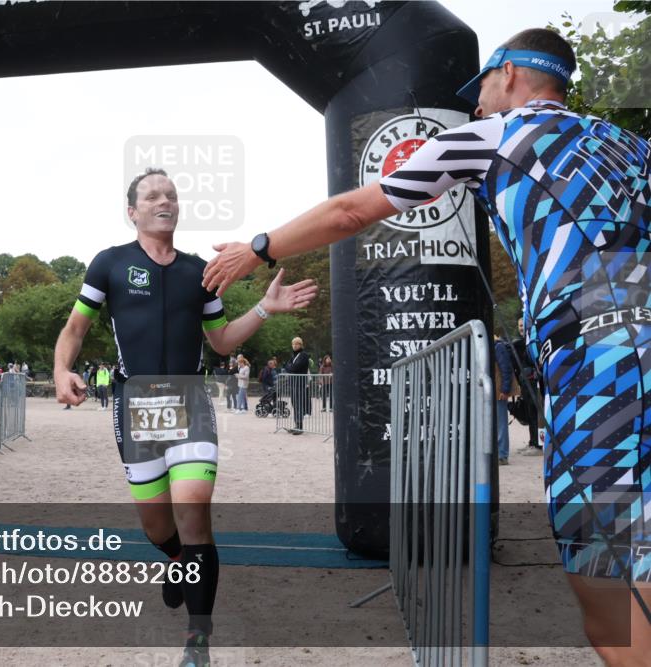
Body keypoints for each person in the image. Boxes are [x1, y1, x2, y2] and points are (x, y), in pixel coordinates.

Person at [203, 28, 650, 663]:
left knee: (605, 574)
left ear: (513, 74)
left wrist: (259, 248)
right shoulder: (632, 146)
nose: (475, 105)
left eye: (483, 88)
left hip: (600, 359)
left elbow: (355, 211)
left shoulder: (493, 136)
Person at [54, 168, 316, 666]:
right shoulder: (108, 264)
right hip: (137, 407)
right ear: (131, 212)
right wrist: (61, 368)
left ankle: (199, 640)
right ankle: (178, 562)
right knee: (158, 527)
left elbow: (219, 341)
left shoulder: (202, 271)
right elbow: (74, 326)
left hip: (191, 401)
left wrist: (263, 307)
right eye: (152, 195)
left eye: (171, 195)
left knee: (193, 509)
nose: (164, 201)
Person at [511, 318, 542, 456]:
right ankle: (532, 441)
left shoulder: (533, 341)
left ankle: (537, 444)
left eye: (523, 325)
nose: (521, 328)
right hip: (525, 382)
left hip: (533, 382)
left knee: (535, 413)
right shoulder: (520, 343)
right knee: (529, 412)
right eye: (520, 326)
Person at [494, 335, 518, 465]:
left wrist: (505, 389)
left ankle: (502, 455)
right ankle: (499, 453)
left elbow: (506, 369)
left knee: (501, 423)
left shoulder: (498, 347)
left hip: (499, 390)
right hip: (494, 390)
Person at [283, 337, 310, 435]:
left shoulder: (303, 355)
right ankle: (296, 425)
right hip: (293, 383)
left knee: (298, 404)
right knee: (295, 404)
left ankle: (300, 427)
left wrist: (289, 366)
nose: (294, 346)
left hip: (299, 383)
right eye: (293, 344)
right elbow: (286, 365)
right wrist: (289, 366)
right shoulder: (294, 355)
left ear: (301, 345)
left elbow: (293, 368)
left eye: (296, 344)